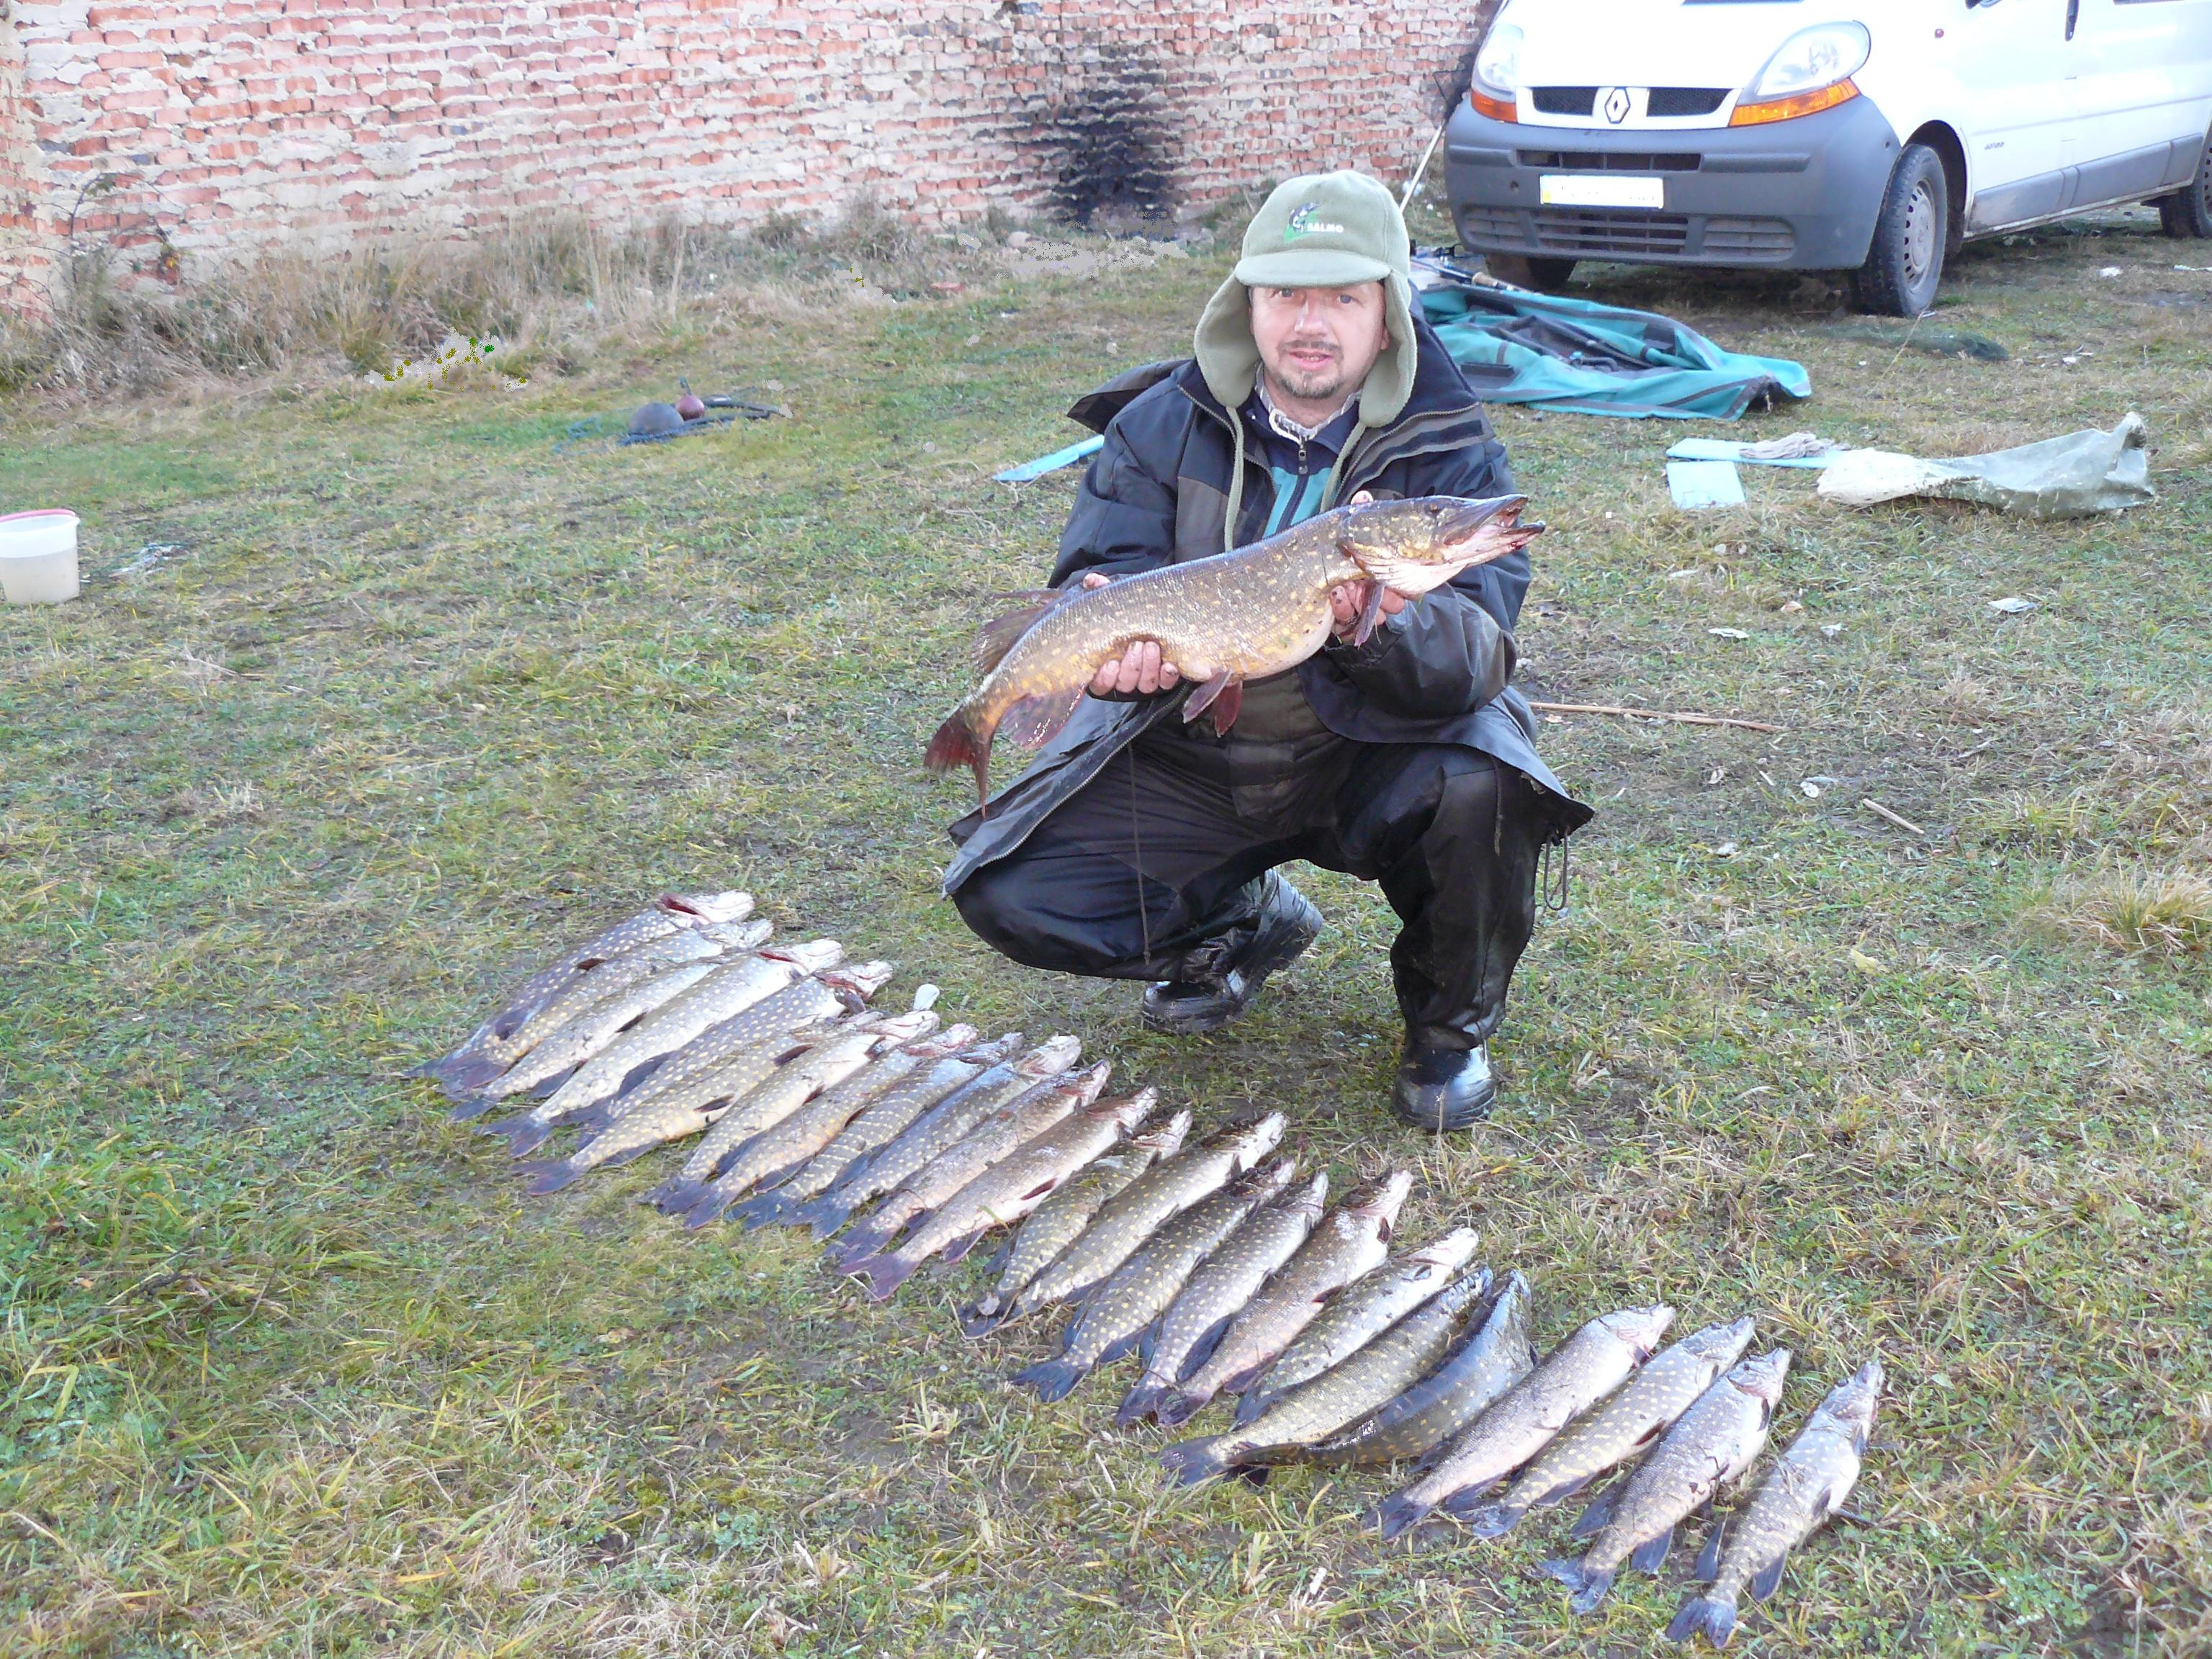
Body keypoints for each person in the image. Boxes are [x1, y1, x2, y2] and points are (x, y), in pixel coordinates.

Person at [940, 171, 1590, 1131]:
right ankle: (1237, 929)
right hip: (1197, 754)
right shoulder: (1158, 425)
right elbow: (1100, 577)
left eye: (1344, 298)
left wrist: (1385, 620)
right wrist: (1117, 661)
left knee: (1486, 786)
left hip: (1371, 751)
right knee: (1012, 891)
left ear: (1388, 315)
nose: (1311, 324)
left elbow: (1476, 663)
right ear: (1247, 304)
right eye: (1286, 294)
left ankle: (1447, 1033)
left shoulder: (1449, 445)